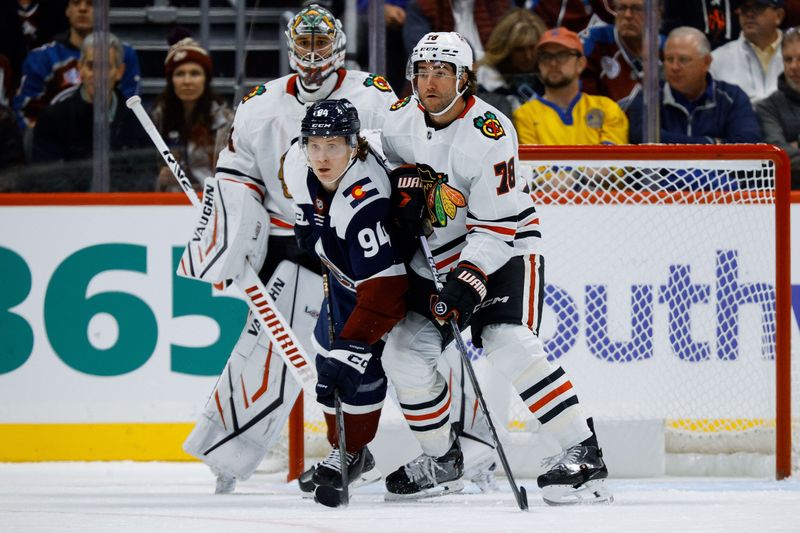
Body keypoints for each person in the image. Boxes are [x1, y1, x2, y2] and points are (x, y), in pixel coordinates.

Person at [179, 4, 496, 498]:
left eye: (320, 44)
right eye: (303, 45)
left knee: (420, 348)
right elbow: (236, 175)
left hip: (375, 243)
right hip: (297, 242)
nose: (311, 55)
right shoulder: (260, 105)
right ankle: (239, 457)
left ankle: (472, 454)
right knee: (271, 349)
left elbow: (415, 150)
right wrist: (230, 240)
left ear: (339, 46)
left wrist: (417, 205)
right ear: (290, 48)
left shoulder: (373, 95)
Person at [379, 31, 612, 505]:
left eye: (442, 72)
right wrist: (394, 196)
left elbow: (497, 225)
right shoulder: (396, 121)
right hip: (434, 255)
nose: (430, 82)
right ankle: (442, 459)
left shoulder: (490, 131)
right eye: (422, 72)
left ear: (464, 79)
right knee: (402, 355)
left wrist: (469, 276)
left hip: (504, 248)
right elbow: (361, 165)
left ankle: (582, 452)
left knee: (506, 340)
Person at [281, 99, 408, 505]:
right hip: (346, 277)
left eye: (333, 145)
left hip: (394, 285)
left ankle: (353, 451)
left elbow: (386, 292)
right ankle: (350, 452)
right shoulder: (296, 166)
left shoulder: (364, 200)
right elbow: (306, 212)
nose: (322, 156)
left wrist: (354, 348)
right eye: (314, 145)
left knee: (359, 367)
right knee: (324, 354)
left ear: (354, 146)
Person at [30, 32, 149, 191]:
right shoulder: (53, 118)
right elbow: (46, 178)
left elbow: (145, 176)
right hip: (68, 212)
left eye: (106, 66)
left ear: (120, 72)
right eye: (92, 66)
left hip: (122, 210)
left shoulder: (138, 121)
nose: (98, 75)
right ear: (80, 68)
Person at [13, 0, 140, 130]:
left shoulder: (124, 55)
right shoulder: (41, 58)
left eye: (91, 4)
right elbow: (25, 115)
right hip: (56, 143)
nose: (82, 9)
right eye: (76, 3)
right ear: (67, 10)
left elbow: (129, 110)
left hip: (111, 141)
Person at [626, 26, 762, 145]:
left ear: (706, 62)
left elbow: (748, 144)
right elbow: (644, 138)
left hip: (717, 174)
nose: (674, 67)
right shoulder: (649, 96)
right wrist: (712, 143)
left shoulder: (732, 97)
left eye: (683, 60)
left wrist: (670, 142)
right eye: (669, 59)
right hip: (661, 175)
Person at [513, 27, 628, 147]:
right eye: (546, 56)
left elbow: (611, 162)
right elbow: (530, 164)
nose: (553, 63)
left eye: (562, 55)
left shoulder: (607, 108)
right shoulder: (524, 116)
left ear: (581, 63)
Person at [151, 37, 233, 192]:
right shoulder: (156, 120)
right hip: (166, 206)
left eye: (195, 73)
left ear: (205, 79)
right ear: (171, 80)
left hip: (212, 204)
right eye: (180, 74)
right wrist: (159, 180)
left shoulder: (227, 122)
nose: (187, 81)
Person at [581, 0, 665, 104]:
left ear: (656, 14)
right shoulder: (595, 43)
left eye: (637, 9)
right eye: (621, 8)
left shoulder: (670, 50)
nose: (627, 15)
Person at [476, 8, 546, 119]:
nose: (528, 56)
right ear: (505, 49)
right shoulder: (485, 80)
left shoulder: (551, 75)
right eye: (519, 49)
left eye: (532, 47)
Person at [710, 0, 785, 103]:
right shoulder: (716, 60)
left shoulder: (795, 53)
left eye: (758, 7)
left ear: (779, 16)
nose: (749, 14)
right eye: (745, 8)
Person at [756, 26, 800, 188]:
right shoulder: (767, 107)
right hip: (789, 199)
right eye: (788, 59)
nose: (793, 67)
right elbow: (779, 156)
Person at [402, 0, 513, 62]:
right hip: (441, 80)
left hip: (497, 85)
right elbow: (420, 54)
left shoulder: (501, 4)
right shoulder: (421, 6)